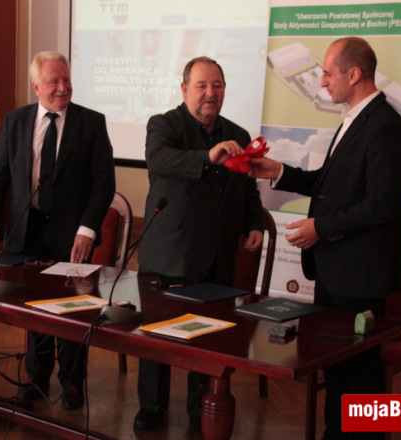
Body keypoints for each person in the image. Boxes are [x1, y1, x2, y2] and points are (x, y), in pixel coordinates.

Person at [250, 37, 401, 440]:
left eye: (327, 73)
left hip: (359, 276)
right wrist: (278, 171)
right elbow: (329, 186)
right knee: (339, 368)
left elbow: (382, 205)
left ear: (354, 74)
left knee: (358, 376)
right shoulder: (355, 119)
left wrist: (319, 228)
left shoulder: (386, 127)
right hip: (335, 271)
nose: (321, 81)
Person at [0, 51, 116, 410]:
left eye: (66, 79)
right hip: (28, 230)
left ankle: (72, 382)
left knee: (73, 308)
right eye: (54, 81)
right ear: (36, 86)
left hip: (74, 234)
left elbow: (103, 184)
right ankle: (35, 377)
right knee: (33, 307)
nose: (63, 87)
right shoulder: (16, 121)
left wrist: (87, 230)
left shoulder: (91, 122)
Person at [134, 56, 264, 432]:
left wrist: (254, 222)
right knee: (156, 335)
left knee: (210, 337)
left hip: (219, 255)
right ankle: (152, 406)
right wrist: (208, 157)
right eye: (202, 86)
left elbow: (247, 188)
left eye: (217, 85)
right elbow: (159, 160)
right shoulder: (163, 124)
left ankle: (200, 407)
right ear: (184, 89)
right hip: (171, 252)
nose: (210, 93)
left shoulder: (238, 133)